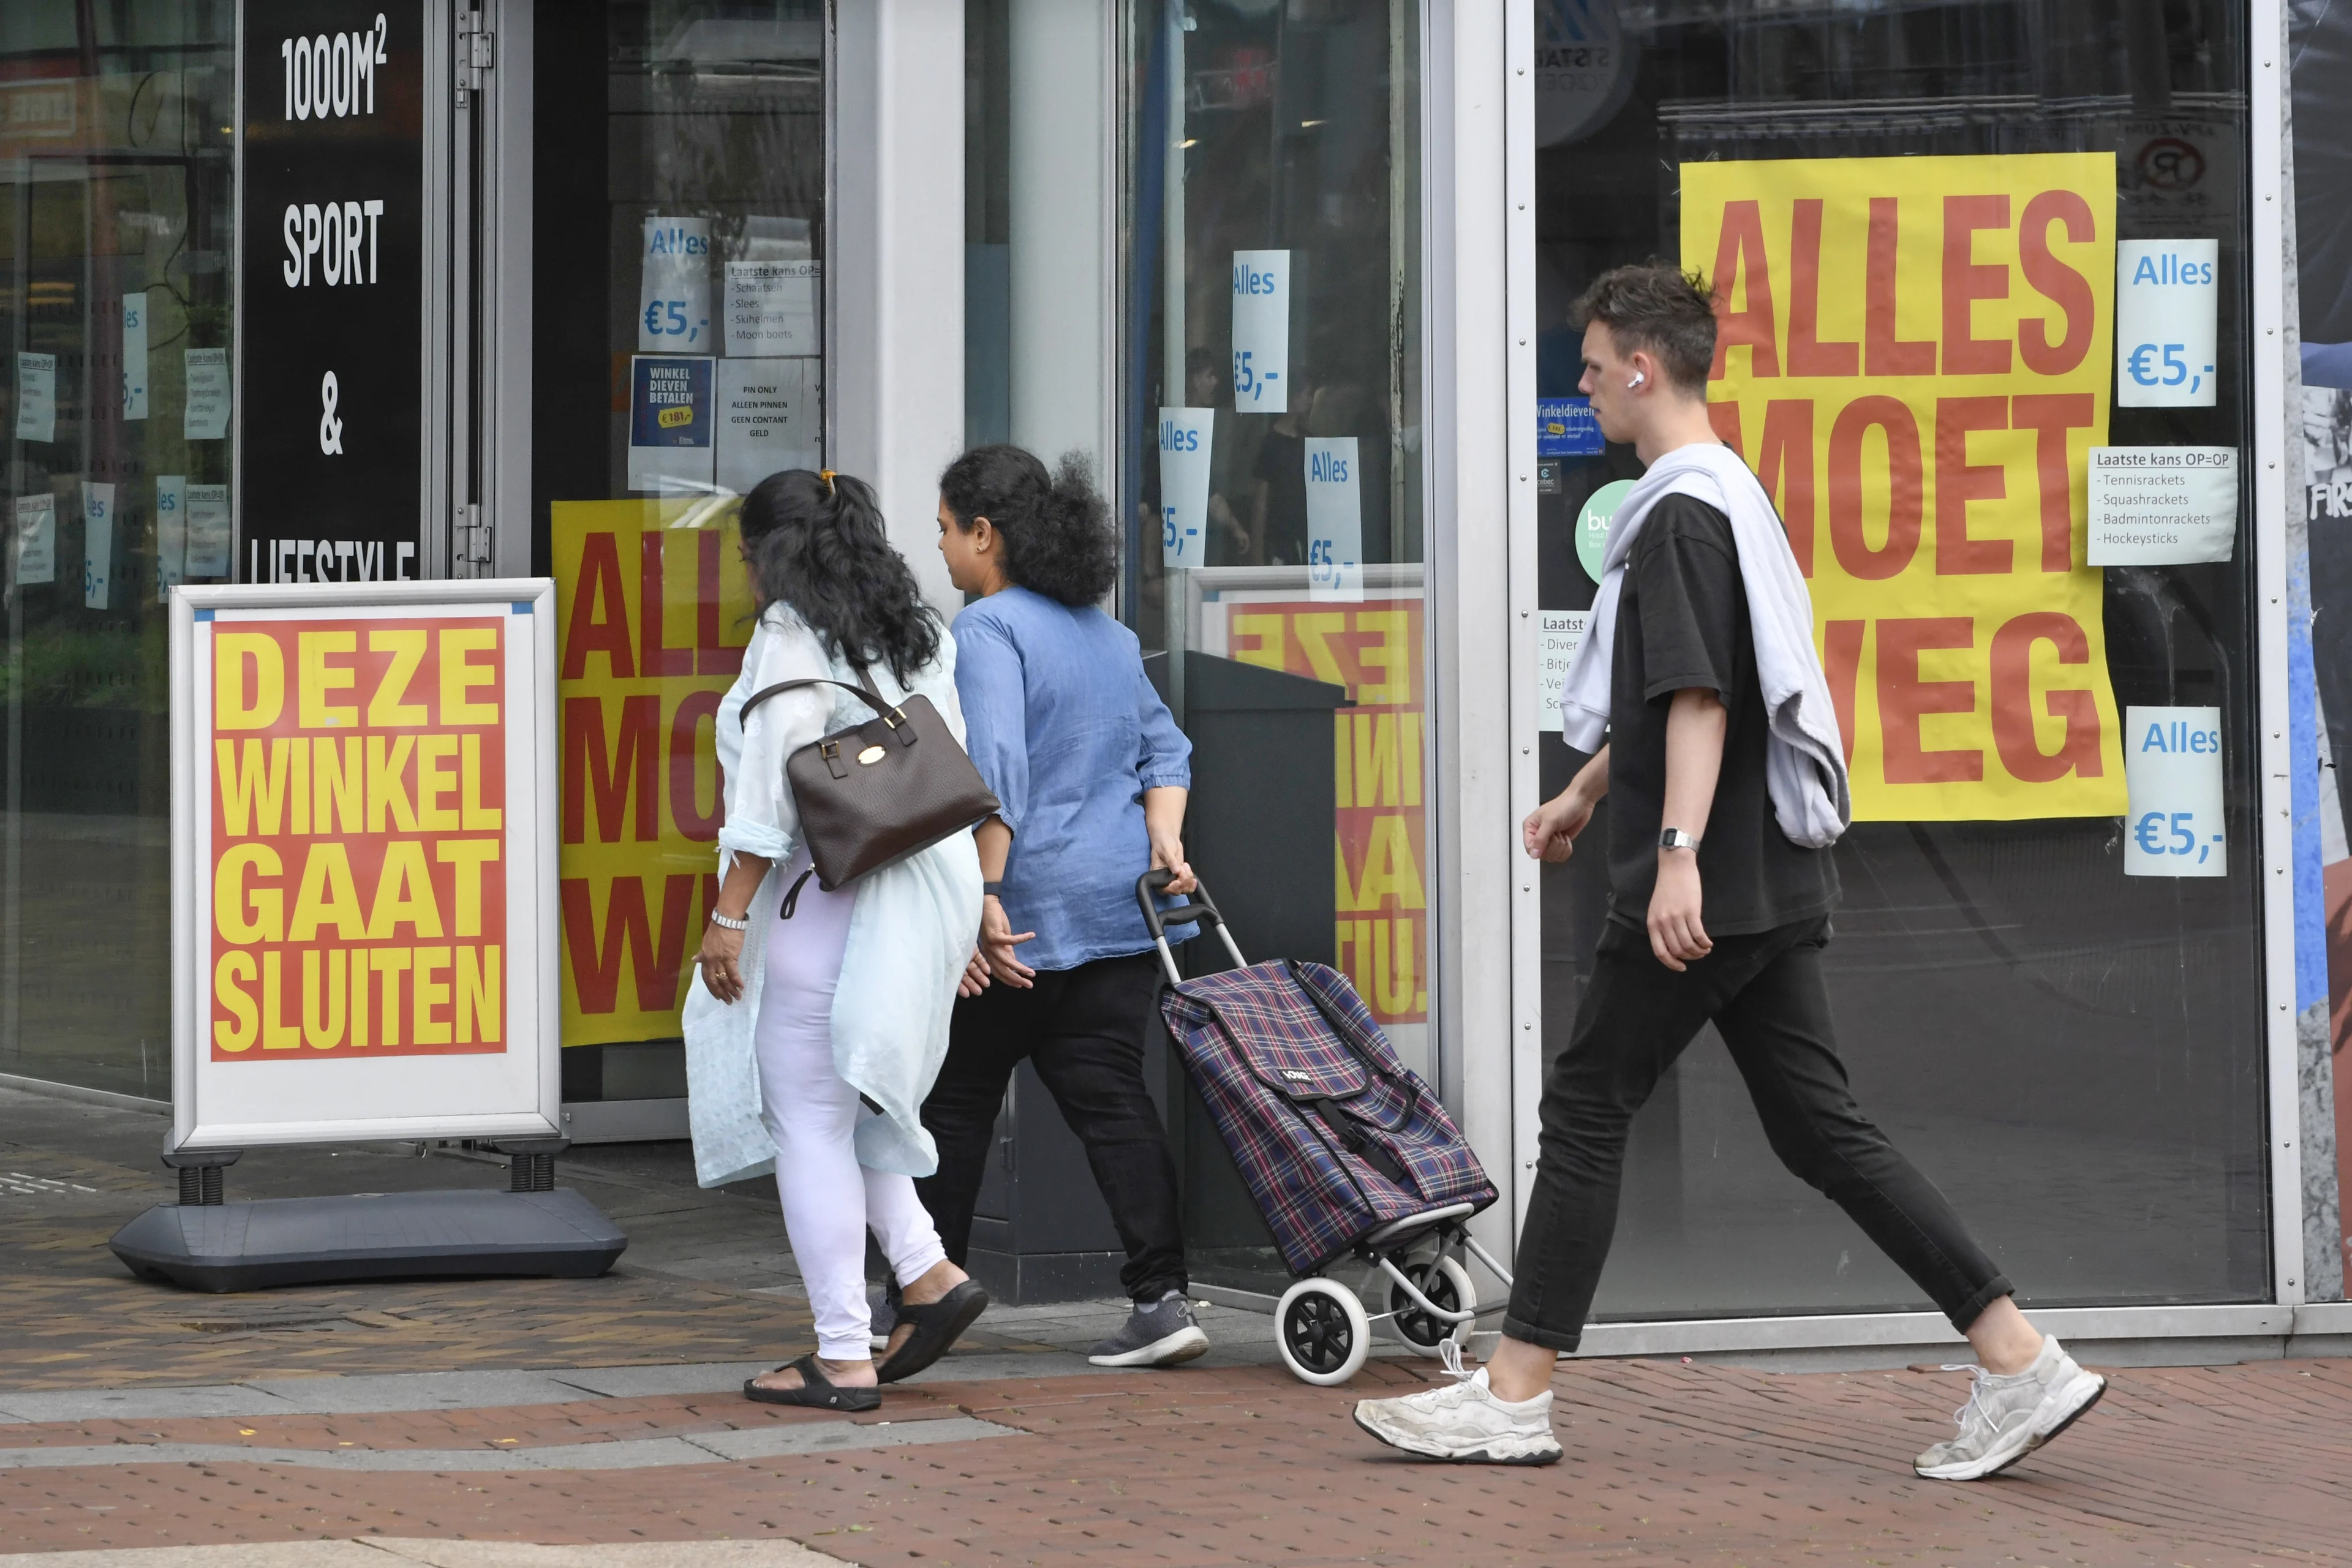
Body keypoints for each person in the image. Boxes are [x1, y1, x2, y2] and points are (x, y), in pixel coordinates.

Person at [1352, 265, 2106, 1479]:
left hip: (1710, 886)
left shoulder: (1684, 512)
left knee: (1588, 1108)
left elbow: (1702, 695)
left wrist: (1673, 857)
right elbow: (1690, 692)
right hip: (1766, 882)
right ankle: (2020, 1358)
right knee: (1824, 1133)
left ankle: (1514, 1390)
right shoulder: (1721, 496)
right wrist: (1587, 792)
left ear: (1642, 367)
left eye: (1594, 367)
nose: (1586, 386)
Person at [684, 468, 992, 1412]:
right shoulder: (920, 630)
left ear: (770, 553)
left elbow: (769, 796)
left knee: (807, 1120)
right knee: (849, 1104)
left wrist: (729, 917)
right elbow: (948, 768)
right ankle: (928, 1274)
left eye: (744, 555)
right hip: (927, 892)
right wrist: (970, 913)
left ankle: (842, 1354)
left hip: (831, 900)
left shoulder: (788, 637)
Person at [918, 443, 1212, 1370]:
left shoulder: (986, 631)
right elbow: (1169, 754)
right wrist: (1165, 839)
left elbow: (995, 767)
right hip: (1119, 914)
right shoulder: (1108, 633)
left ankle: (928, 1295)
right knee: (1116, 1105)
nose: (940, 550)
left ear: (984, 534)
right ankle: (1164, 1300)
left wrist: (985, 894)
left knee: (955, 1102)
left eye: (945, 530)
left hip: (1024, 917)